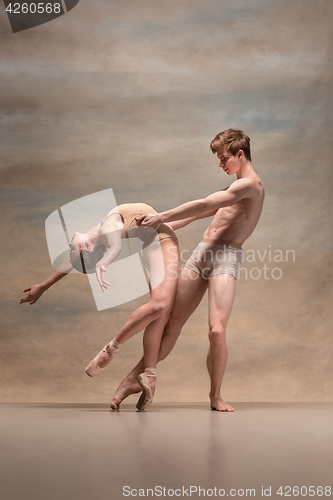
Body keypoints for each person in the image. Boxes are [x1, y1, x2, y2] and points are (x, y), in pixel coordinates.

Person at [109, 129, 265, 412]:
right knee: (169, 319)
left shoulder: (250, 185)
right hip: (202, 254)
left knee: (216, 331)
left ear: (240, 154)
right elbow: (199, 214)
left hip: (225, 257)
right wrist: (153, 228)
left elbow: (204, 203)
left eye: (224, 158)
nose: (221, 164)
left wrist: (161, 215)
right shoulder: (233, 188)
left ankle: (215, 396)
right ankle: (135, 379)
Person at [20, 202, 181, 410]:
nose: (69, 246)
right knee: (160, 307)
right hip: (160, 242)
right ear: (87, 247)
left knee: (160, 312)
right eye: (72, 249)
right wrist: (101, 263)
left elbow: (75, 260)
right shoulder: (106, 229)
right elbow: (113, 247)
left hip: (159, 240)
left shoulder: (100, 230)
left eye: (71, 250)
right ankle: (112, 349)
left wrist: (44, 285)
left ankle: (149, 373)